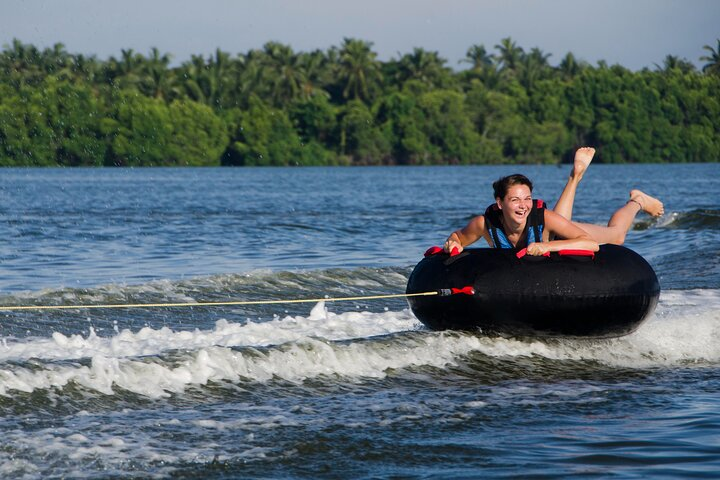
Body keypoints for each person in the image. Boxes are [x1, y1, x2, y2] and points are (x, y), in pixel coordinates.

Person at [443, 147, 664, 256]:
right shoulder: (484, 223)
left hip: (557, 233)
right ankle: (575, 176)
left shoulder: (541, 216)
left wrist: (547, 246)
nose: (523, 205)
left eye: (527, 199)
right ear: (499, 203)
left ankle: (637, 201)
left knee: (616, 236)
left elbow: (590, 244)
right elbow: (458, 238)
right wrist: (452, 244)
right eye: (515, 200)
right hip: (552, 227)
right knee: (558, 220)